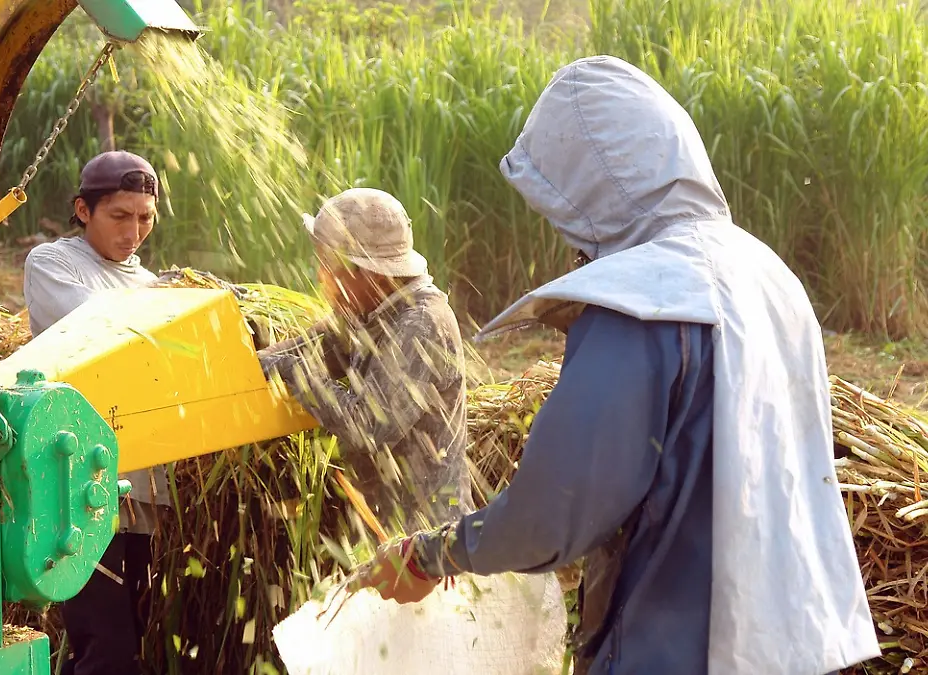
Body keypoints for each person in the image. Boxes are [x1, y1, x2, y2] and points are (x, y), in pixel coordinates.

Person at [354, 56, 880, 675]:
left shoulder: (646, 301)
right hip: (793, 642)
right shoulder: (767, 275)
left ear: (593, 186)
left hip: (678, 650)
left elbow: (553, 513)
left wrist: (430, 555)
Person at [22, 150, 169, 675]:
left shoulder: (151, 283)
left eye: (145, 218)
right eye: (120, 216)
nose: (134, 232)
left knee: (130, 639)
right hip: (79, 486)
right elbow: (96, 330)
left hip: (142, 489)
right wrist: (172, 306)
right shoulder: (53, 264)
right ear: (83, 211)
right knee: (104, 643)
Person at [258, 187, 475, 533]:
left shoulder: (422, 323)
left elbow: (368, 427)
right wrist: (247, 361)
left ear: (371, 273)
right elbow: (304, 350)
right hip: (388, 531)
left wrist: (295, 372)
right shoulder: (369, 312)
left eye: (329, 266)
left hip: (434, 536)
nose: (320, 276)